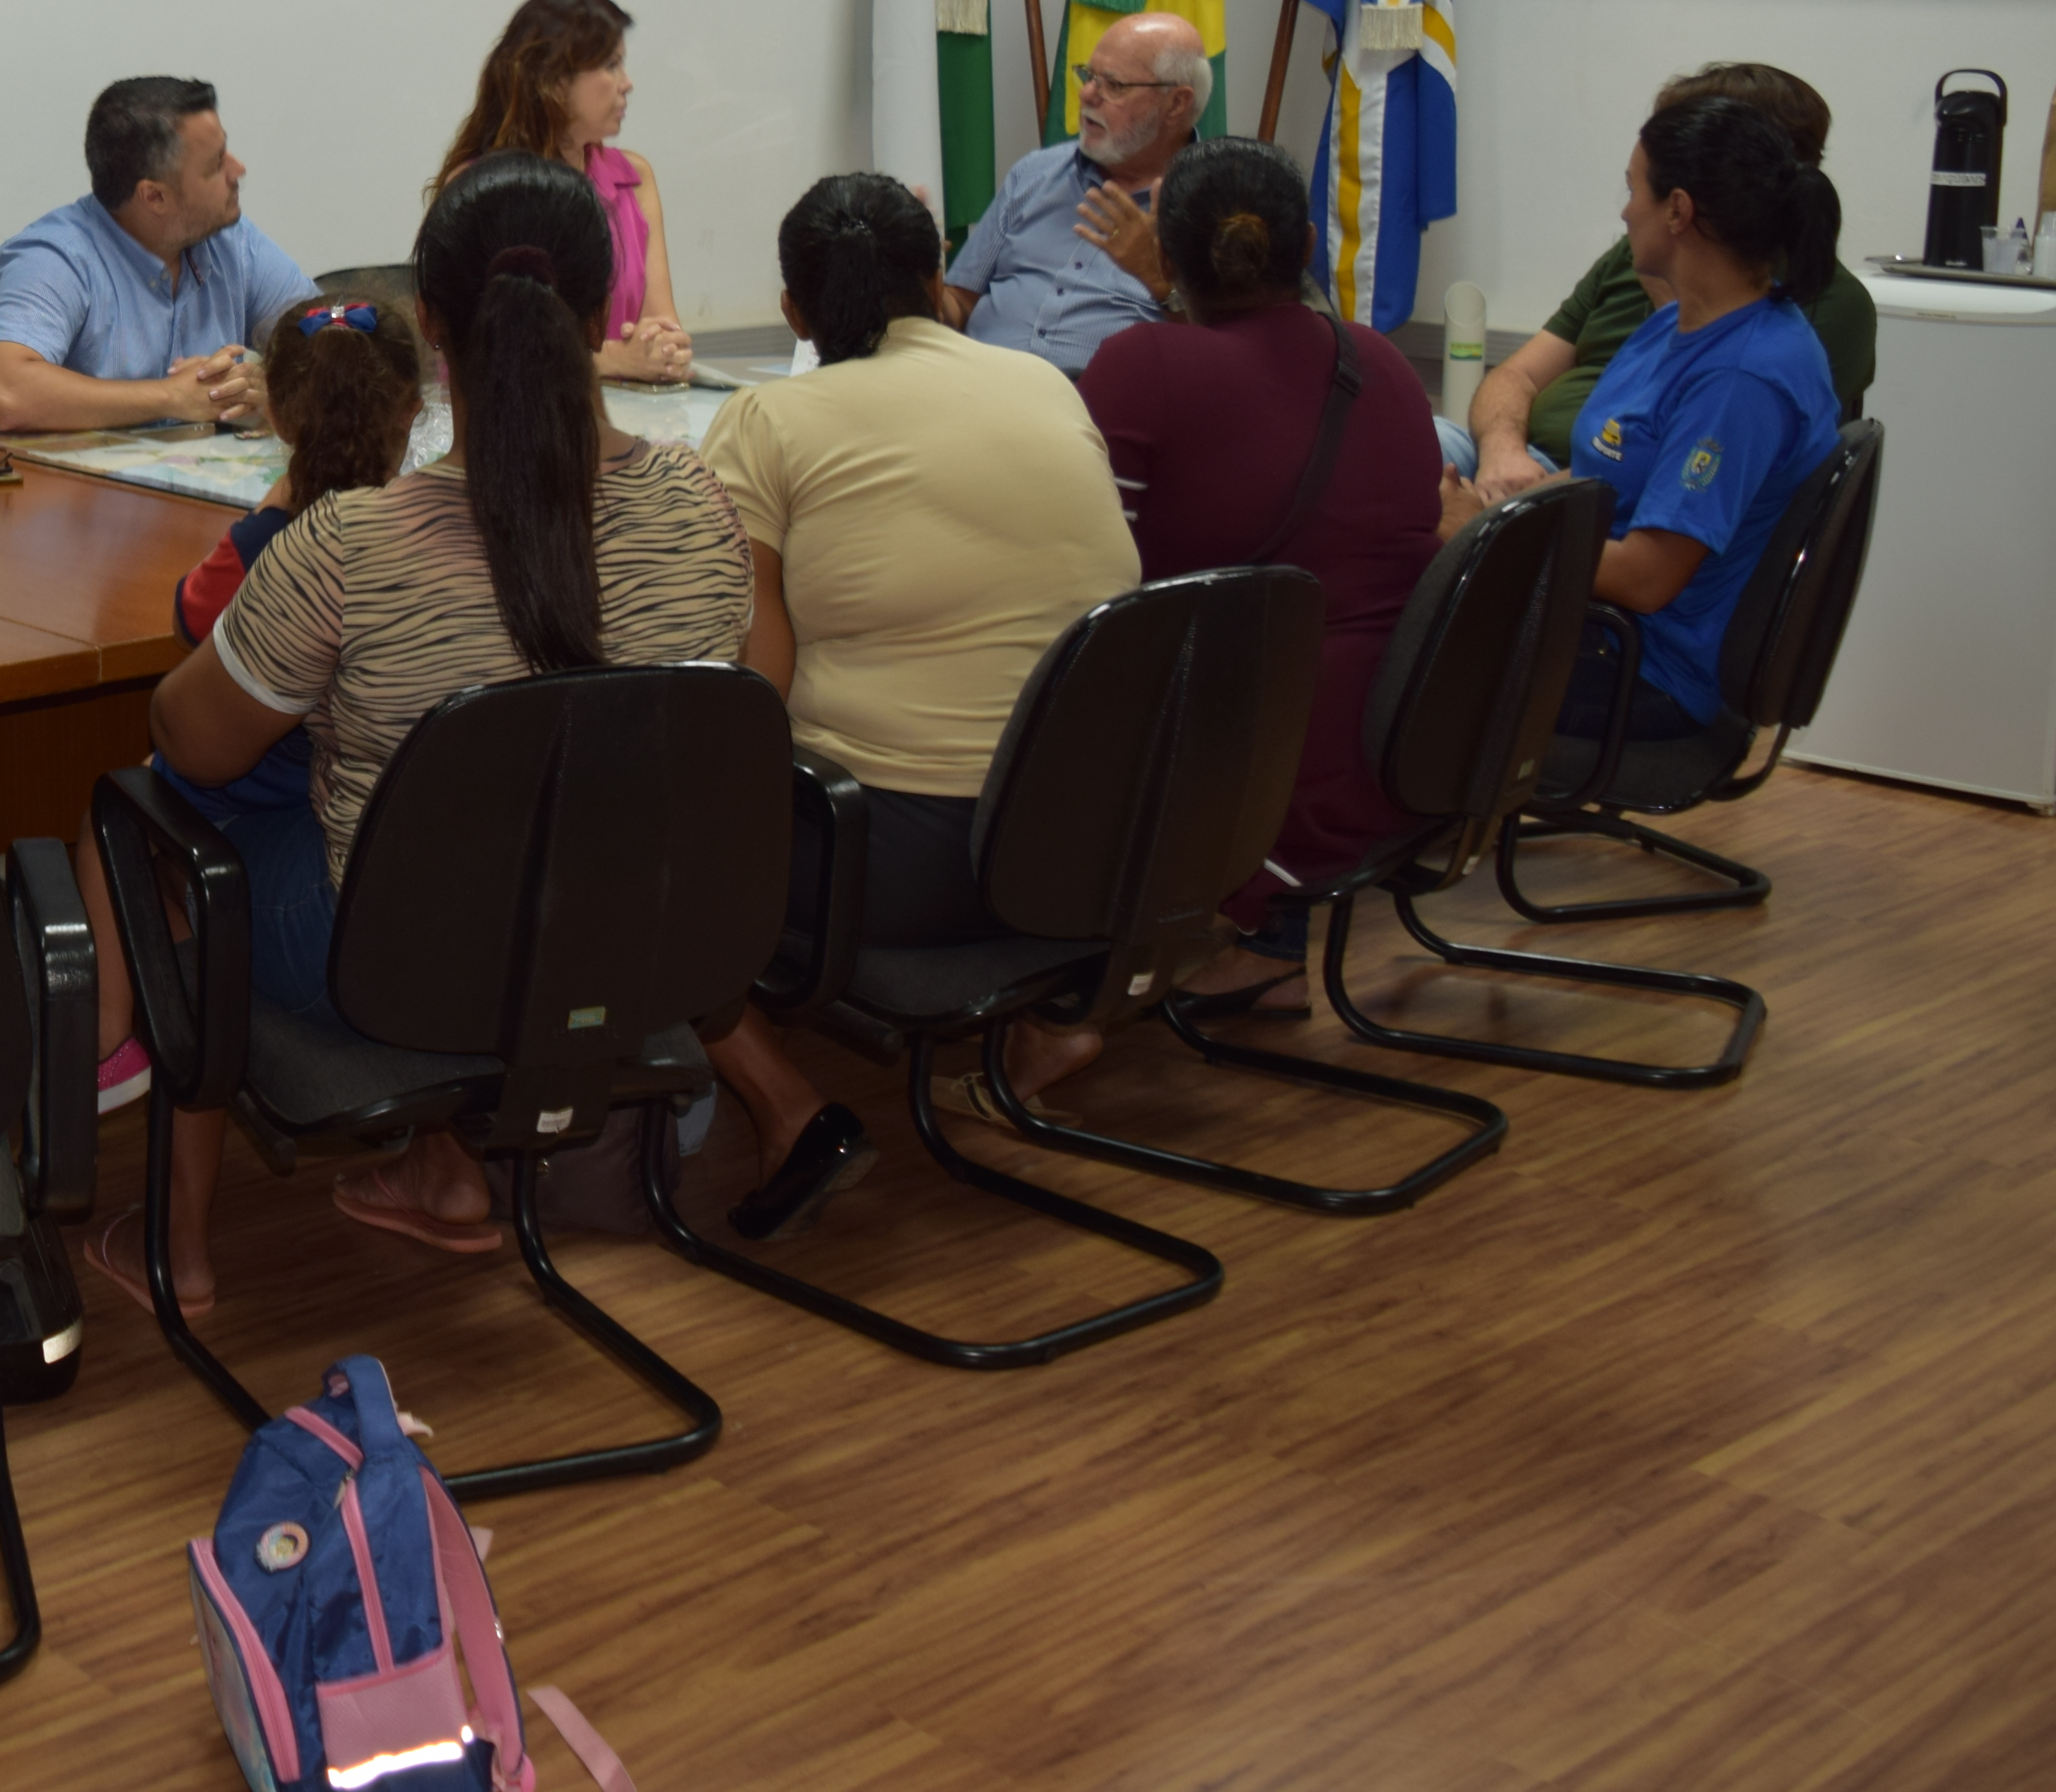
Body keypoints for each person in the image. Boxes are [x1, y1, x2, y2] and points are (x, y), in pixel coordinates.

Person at [114, 153, 753, 1299]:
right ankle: (439, 1164)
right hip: (642, 941)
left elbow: (194, 744)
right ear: (603, 315)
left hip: (405, 969)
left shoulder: (346, 546)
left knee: (157, 840)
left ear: (438, 332)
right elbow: (745, 709)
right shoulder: (704, 506)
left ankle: (177, 1240)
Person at [695, 175, 1141, 1213]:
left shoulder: (766, 420)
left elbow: (749, 691)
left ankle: (790, 1113)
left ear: (794, 312)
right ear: (939, 282)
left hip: (903, 863)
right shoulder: (1045, 384)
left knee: (633, 846)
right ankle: (1045, 1023)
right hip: (1090, 843)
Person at [71, 291, 427, 1186]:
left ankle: (109, 1040)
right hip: (398, 848)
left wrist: (281, 498)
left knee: (122, 809)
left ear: (278, 417)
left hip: (272, 817)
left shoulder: (271, 546)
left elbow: (193, 613)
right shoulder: (432, 540)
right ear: (414, 412)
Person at [1077, 141, 1445, 994]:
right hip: (1400, 739)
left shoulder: (1142, 365)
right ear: (1307, 246)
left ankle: (1066, 998)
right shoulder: (1380, 360)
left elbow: (1084, 583)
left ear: (1166, 258)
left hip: (1249, 773)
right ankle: (1265, 951)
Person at [1546, 95, 1850, 747]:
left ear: (1678, 210)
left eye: (1635, 190)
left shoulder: (1741, 380)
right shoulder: (1679, 325)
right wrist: (1502, 507)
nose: (1626, 211)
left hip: (1640, 667)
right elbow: (1612, 475)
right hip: (1595, 625)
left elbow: (1646, 579)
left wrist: (1489, 538)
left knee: (1383, 634)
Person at [1457, 61, 1879, 504]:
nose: (1627, 212)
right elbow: (1517, 375)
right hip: (1530, 472)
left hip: (1602, 502)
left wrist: (1494, 520)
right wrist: (1502, 462)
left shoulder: (1776, 336)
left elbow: (1663, 473)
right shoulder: (1642, 263)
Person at [0, 74, 319, 432]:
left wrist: (270, 389)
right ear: (155, 196)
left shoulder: (234, 242)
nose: (239, 170)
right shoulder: (56, 257)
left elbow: (332, 344)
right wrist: (172, 396)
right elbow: (6, 393)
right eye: (216, 165)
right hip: (48, 471)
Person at [430, 0, 695, 384]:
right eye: (611, 65)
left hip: (627, 408)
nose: (627, 84)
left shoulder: (635, 179)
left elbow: (663, 331)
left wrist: (666, 354)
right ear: (553, 81)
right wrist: (611, 360)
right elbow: (483, 349)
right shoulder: (479, 188)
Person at [939, 8, 1206, 377]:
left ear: (1176, 103)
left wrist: (1156, 277)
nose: (1087, 95)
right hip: (974, 385)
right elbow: (960, 303)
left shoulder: (1214, 205)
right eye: (1089, 76)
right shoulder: (1036, 172)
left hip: (1095, 404)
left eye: (1115, 85)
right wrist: (919, 286)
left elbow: (1220, 356)